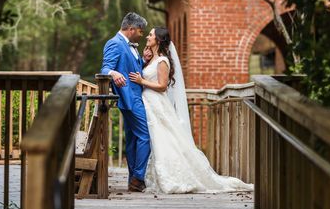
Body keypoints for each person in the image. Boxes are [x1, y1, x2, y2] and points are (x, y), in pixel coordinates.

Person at [129, 27, 253, 194]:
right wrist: (144, 60)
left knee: (165, 139)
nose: (148, 37)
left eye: (151, 34)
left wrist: (141, 81)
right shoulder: (153, 59)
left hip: (157, 103)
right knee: (158, 140)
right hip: (149, 104)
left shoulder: (163, 61)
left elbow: (162, 86)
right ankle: (157, 176)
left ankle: (174, 176)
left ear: (158, 39)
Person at [101, 12, 151, 192]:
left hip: (137, 97)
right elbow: (105, 67)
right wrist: (113, 73)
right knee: (146, 136)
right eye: (140, 30)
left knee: (132, 140)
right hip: (129, 98)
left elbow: (134, 70)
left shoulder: (132, 46)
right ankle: (138, 177)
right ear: (131, 29)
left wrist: (143, 61)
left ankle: (133, 180)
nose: (142, 34)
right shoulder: (115, 43)